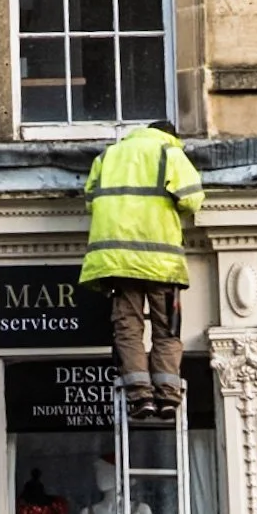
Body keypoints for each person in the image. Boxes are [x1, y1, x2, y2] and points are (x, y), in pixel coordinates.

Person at [80, 120, 204, 420]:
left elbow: (90, 203)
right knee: (166, 330)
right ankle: (168, 396)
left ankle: (140, 397)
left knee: (128, 328)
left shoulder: (107, 157)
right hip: (160, 262)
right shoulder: (169, 153)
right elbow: (192, 200)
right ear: (170, 135)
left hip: (117, 262)